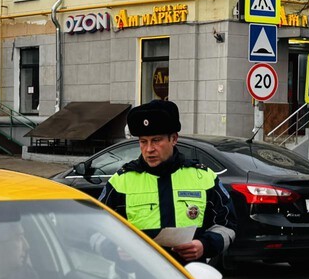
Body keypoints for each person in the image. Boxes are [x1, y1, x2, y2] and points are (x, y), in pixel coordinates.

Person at [98, 100, 236, 265]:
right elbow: (97, 230)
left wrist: (204, 245)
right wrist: (115, 250)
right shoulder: (121, 182)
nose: (149, 149)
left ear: (174, 139)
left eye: (156, 140)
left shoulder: (203, 177)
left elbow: (228, 225)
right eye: (143, 141)